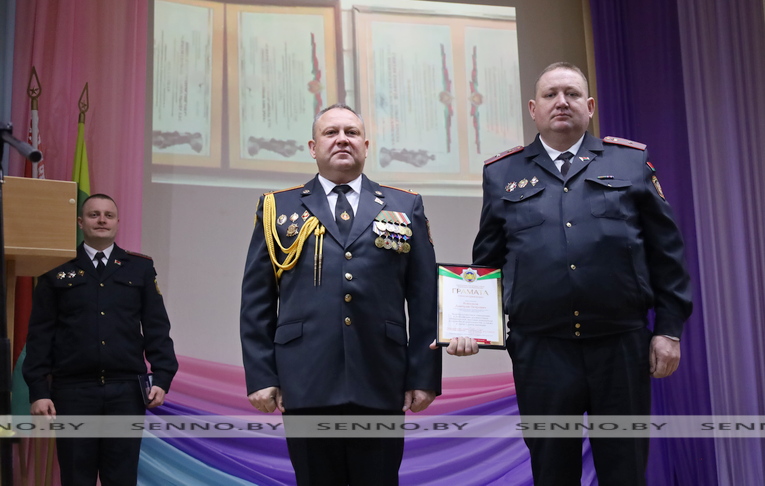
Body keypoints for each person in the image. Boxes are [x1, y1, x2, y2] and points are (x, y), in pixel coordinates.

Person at [466, 62, 693, 485]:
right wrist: (470, 327)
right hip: (541, 350)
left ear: (589, 106)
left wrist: (669, 329)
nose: (561, 102)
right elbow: (487, 263)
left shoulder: (630, 162)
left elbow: (667, 254)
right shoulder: (502, 174)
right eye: (551, 94)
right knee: (552, 471)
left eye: (571, 94)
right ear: (533, 109)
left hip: (620, 344)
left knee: (625, 470)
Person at [240, 103, 442, 485]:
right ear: (313, 147)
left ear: (366, 145)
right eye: (331, 132)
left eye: (351, 132)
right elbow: (257, 302)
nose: (342, 139)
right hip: (305, 379)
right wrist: (261, 374)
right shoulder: (278, 208)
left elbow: (423, 297)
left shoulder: (404, 205)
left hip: (381, 376)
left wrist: (424, 374)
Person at [23, 193, 178, 486]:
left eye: (108, 215)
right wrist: (39, 391)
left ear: (118, 222)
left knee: (121, 478)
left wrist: (162, 377)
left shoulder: (140, 268)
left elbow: (156, 327)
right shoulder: (56, 268)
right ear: (80, 222)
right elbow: (40, 334)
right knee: (76, 476)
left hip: (126, 391)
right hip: (73, 391)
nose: (102, 220)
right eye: (94, 214)